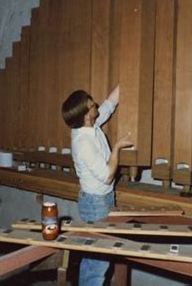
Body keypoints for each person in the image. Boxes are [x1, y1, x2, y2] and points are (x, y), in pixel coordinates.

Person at [62, 85, 133, 286]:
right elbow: (109, 176)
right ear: (86, 115)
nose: (96, 105)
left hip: (103, 199)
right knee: (98, 262)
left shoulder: (90, 125)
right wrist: (117, 147)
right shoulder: (83, 143)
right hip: (95, 203)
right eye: (92, 105)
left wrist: (127, 79)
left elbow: (110, 104)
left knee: (99, 256)